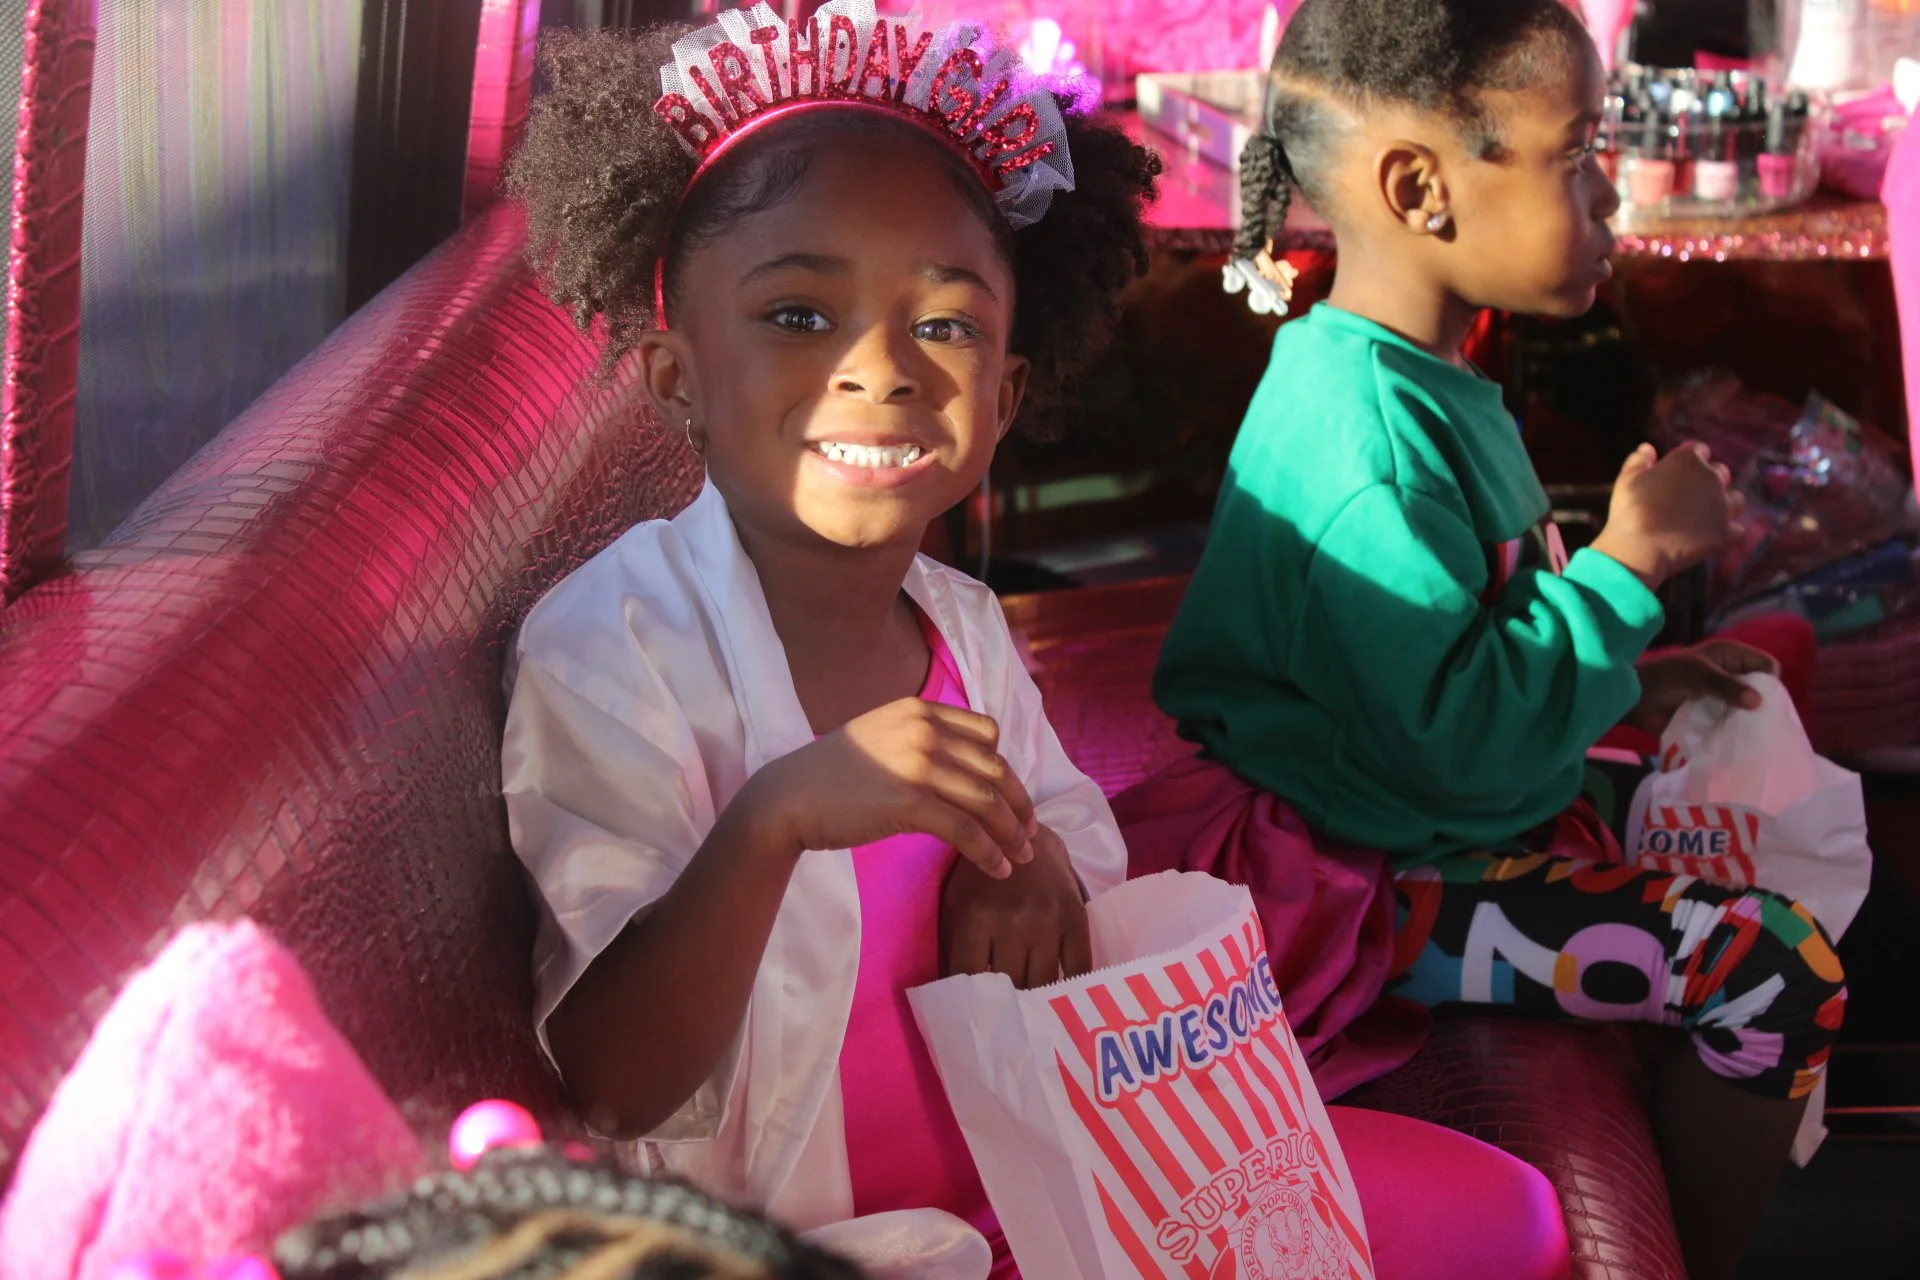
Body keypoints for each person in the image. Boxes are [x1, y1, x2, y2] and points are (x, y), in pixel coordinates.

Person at [499, 3, 1569, 1277]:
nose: (881, 368)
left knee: (1512, 1218)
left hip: (1053, 1181)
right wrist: (775, 818)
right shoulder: (615, 645)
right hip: (830, 1245)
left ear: (1003, 397)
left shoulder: (956, 622)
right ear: (677, 375)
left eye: (944, 324)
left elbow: (1068, 829)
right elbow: (615, 1081)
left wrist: (1033, 861)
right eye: (798, 315)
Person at [1143, 1, 1846, 1276]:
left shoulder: (1419, 372)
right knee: (1774, 969)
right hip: (1366, 881)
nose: (1612, 199)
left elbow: (1473, 642)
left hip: (1430, 807)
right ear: (1421, 187)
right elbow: (1457, 749)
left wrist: (1635, 676)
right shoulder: (1361, 442)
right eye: (1577, 155)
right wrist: (1631, 569)